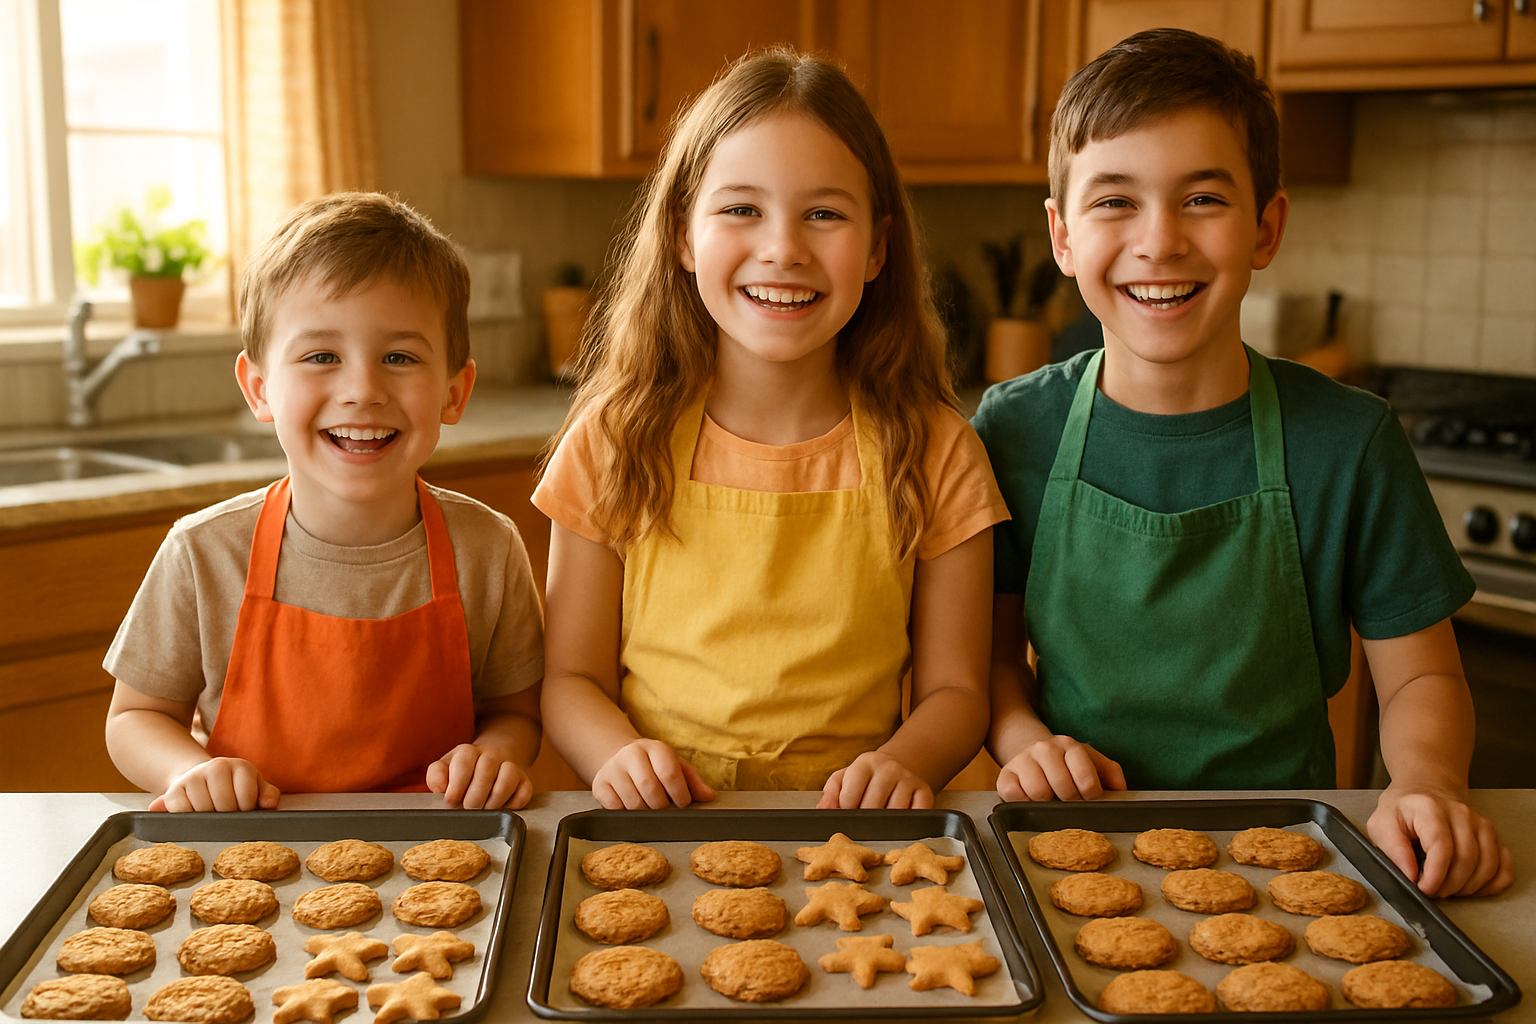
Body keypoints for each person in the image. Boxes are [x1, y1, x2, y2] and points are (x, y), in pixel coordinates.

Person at [974, 28, 1513, 899]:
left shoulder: (1349, 442)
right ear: (1062, 235)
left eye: (1202, 200)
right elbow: (992, 662)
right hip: (1071, 851)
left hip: (1291, 860)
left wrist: (1426, 782)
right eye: (1115, 201)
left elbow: (1419, 676)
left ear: (1266, 227)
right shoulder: (1013, 427)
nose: (1160, 242)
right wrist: (1023, 741)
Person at [535, 49, 1008, 811]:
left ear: (879, 247)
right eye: (741, 209)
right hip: (664, 825)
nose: (783, 248)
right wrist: (618, 757)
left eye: (824, 213)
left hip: (855, 833)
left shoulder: (938, 451)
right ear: (684, 237)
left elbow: (957, 690)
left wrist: (904, 763)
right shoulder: (615, 439)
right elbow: (570, 681)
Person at [104, 193, 544, 812]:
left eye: (399, 357)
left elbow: (516, 712)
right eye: (321, 357)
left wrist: (496, 755)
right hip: (251, 852)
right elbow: (133, 719)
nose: (362, 390)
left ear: (453, 391)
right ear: (260, 390)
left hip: (442, 860)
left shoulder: (489, 549)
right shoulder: (204, 553)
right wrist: (189, 771)